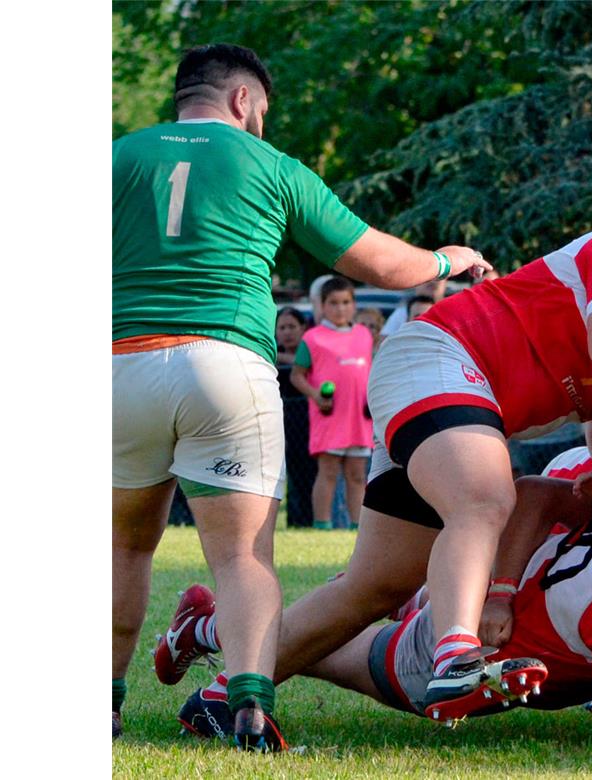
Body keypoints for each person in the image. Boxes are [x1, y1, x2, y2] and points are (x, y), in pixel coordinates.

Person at [152, 208, 592, 727]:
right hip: (442, 357)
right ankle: (458, 655)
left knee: (371, 590)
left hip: (454, 403)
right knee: (485, 497)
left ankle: (213, 661)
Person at [114, 43, 490, 749]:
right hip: (226, 362)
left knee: (125, 548)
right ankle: (249, 707)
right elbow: (376, 259)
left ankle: (103, 704)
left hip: (122, 363)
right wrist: (448, 260)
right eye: (264, 113)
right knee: (242, 556)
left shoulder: (116, 156)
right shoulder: (273, 166)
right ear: (243, 102)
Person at [172, 469, 592, 748]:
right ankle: (198, 631)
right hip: (446, 661)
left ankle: (201, 629)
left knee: (345, 608)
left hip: (486, 608)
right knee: (319, 642)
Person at [290, 276, 374, 531]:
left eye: (346, 302)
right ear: (323, 305)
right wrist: (316, 395)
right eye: (334, 303)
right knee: (328, 472)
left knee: (358, 475)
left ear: (354, 304)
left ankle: (357, 526)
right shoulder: (313, 338)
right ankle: (322, 524)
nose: (340, 308)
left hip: (359, 417)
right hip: (329, 415)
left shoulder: (364, 335)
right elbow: (297, 375)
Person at [274, 307, 315, 528]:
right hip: (282, 423)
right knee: (289, 477)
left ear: (303, 329)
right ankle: (294, 521)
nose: (287, 332)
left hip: (309, 421)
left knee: (309, 474)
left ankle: (311, 520)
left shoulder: (310, 351)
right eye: (282, 327)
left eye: (292, 327)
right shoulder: (270, 356)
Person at [381, 279, 446, 337]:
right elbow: (385, 341)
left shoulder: (450, 312)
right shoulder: (402, 312)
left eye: (437, 278)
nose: (432, 281)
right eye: (417, 317)